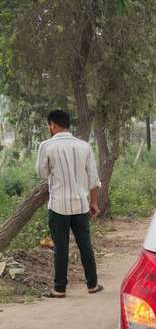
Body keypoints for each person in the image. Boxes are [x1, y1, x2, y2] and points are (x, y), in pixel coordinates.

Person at [36, 110, 103, 298]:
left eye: (49, 125)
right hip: (81, 204)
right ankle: (92, 285)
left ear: (53, 125)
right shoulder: (84, 146)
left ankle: (59, 288)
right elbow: (94, 179)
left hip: (58, 205)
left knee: (61, 247)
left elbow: (42, 173)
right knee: (85, 245)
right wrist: (94, 203)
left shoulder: (46, 146)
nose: (49, 128)